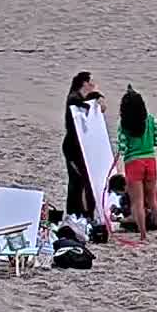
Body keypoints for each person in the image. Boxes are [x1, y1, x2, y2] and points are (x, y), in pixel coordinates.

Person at [115, 87, 157, 243]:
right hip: (150, 159)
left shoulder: (124, 124)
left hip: (133, 162)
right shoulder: (151, 120)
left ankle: (143, 234)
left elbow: (122, 147)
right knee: (152, 199)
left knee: (137, 202)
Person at [62, 72, 103, 221]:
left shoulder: (81, 97)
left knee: (85, 180)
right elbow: (77, 103)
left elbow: (91, 99)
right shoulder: (73, 97)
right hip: (72, 147)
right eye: (91, 81)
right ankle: (74, 212)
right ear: (84, 83)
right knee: (76, 181)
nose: (93, 84)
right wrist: (90, 100)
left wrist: (98, 96)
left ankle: (84, 212)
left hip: (82, 147)